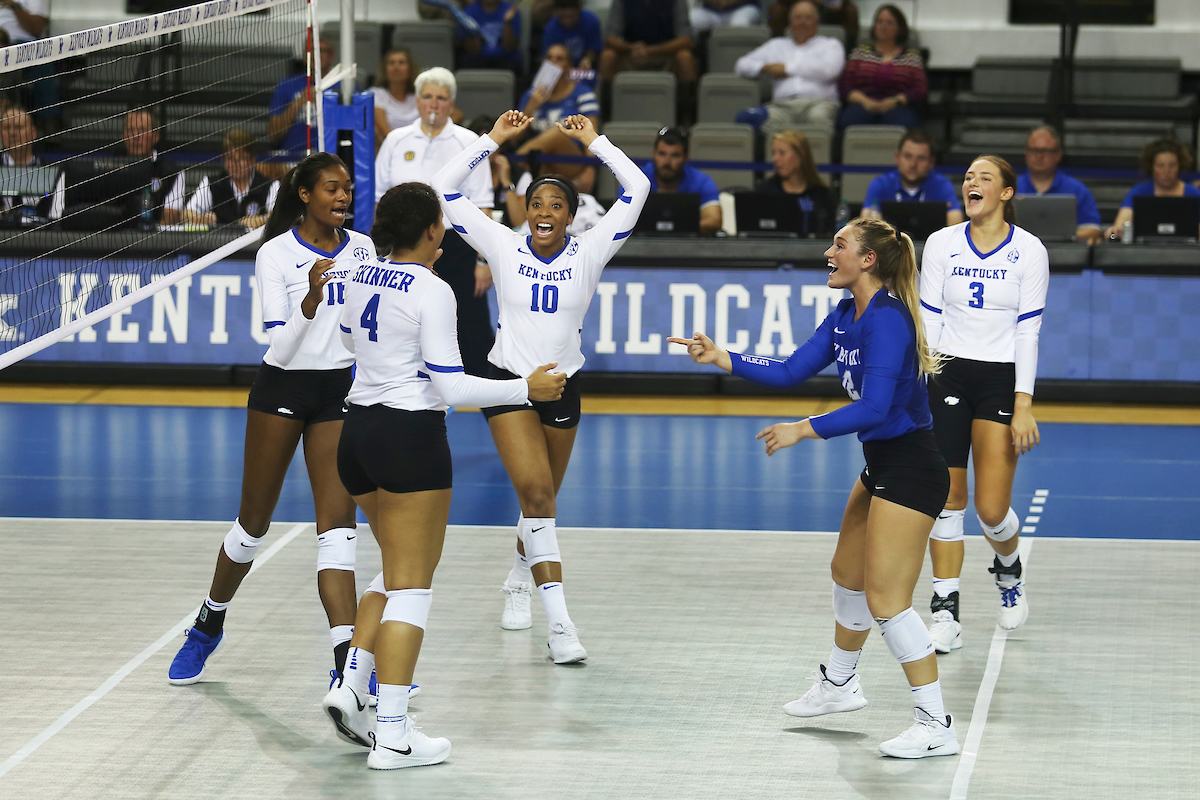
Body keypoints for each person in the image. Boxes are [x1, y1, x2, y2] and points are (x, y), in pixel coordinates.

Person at [668, 216, 959, 759]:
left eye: (839, 245)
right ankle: (841, 685)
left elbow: (873, 407)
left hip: (913, 469)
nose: (829, 252)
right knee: (846, 574)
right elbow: (787, 371)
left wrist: (803, 428)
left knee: (889, 602)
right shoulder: (846, 314)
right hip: (883, 465)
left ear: (867, 259)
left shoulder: (889, 321)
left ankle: (935, 721)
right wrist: (721, 357)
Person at [320, 182, 565, 769]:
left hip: (356, 437)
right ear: (432, 230)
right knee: (412, 586)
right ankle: (395, 734)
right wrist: (523, 389)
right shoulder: (433, 289)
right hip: (409, 442)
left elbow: (350, 342)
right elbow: (452, 388)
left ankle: (352, 683)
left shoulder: (352, 275)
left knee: (401, 568)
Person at [432, 111, 650, 663]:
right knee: (538, 495)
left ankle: (515, 576)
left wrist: (595, 141)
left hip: (562, 385)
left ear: (573, 216)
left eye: (556, 206)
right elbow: (443, 186)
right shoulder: (503, 246)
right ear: (524, 213)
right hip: (509, 383)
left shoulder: (592, 250)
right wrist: (494, 140)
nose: (545, 214)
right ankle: (561, 626)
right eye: (536, 206)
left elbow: (638, 186)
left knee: (542, 500)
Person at [167, 153, 374, 688]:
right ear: (304, 195)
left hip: (339, 391)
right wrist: (311, 296)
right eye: (332, 188)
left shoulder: (363, 249)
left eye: (347, 189)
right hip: (283, 387)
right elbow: (279, 348)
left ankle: (344, 663)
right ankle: (209, 623)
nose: (343, 197)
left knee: (338, 530)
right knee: (253, 523)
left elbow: (366, 326)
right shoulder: (276, 254)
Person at [919, 155, 1049, 653]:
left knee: (992, 509)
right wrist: (921, 377)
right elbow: (929, 317)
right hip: (948, 369)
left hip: (1000, 379)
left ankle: (1008, 568)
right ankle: (945, 609)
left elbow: (1028, 330)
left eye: (984, 178)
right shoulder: (942, 243)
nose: (971, 183)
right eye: (968, 177)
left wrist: (1024, 403)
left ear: (1007, 194)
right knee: (948, 498)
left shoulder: (1029, 251)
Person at [376, 67, 495, 378]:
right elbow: (379, 200)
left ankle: (495, 402)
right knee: (403, 317)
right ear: (417, 101)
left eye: (441, 98)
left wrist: (483, 260)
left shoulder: (469, 142)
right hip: (401, 246)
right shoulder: (396, 140)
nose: (433, 104)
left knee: (472, 327)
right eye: (427, 96)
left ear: (451, 103)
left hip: (456, 247)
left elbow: (483, 206)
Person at [48, 108, 186, 228]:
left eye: (142, 130)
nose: (136, 136)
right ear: (124, 136)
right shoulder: (106, 166)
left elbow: (170, 218)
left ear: (155, 136)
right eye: (131, 130)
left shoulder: (169, 171)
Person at [734, 0, 844, 137]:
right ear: (790, 22)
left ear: (817, 22)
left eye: (808, 18)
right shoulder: (776, 45)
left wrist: (786, 69)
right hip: (781, 106)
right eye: (797, 18)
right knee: (758, 122)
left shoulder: (830, 44)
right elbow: (741, 65)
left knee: (818, 118)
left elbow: (829, 71)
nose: (802, 22)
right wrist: (764, 68)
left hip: (818, 104)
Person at [515, 44, 600, 190]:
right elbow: (515, 137)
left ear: (568, 66)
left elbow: (592, 135)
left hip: (571, 159)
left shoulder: (582, 93)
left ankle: (511, 168)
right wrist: (531, 107)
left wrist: (591, 169)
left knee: (555, 134)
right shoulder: (531, 95)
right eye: (549, 58)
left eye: (559, 59)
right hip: (539, 162)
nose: (553, 62)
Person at [598, 0, 696, 122]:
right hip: (631, 54)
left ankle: (686, 120)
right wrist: (631, 48)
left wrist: (651, 51)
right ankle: (605, 117)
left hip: (665, 54)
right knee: (608, 56)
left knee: (685, 57)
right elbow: (610, 38)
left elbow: (686, 39)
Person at [836, 4, 925, 133]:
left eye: (889, 23)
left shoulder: (911, 57)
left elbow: (920, 90)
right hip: (862, 104)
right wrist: (865, 101)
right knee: (848, 121)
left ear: (899, 28)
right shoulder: (859, 53)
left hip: (898, 106)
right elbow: (845, 86)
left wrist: (895, 102)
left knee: (905, 124)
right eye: (879, 22)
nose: (883, 26)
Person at [628, 126, 722, 236]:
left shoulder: (702, 182)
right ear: (654, 153)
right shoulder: (635, 181)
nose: (667, 162)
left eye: (675, 155)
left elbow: (714, 221)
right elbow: (619, 220)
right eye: (662, 154)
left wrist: (676, 227)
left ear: (686, 157)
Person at [1016, 125, 1102, 245]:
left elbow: (1093, 230)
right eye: (1034, 150)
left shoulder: (1077, 190)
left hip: (1066, 257)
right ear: (1026, 151)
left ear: (1058, 154)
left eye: (1045, 151)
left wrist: (1063, 237)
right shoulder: (1010, 188)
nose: (1039, 156)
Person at [1104, 138, 1200, 242]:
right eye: (1160, 166)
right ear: (1151, 167)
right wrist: (1113, 234)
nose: (1166, 171)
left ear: (1180, 166)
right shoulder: (1139, 192)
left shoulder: (1194, 194)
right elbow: (1118, 228)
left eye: (1172, 165)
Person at [862, 129, 963, 228]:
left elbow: (956, 223)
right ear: (897, 157)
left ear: (931, 162)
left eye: (921, 158)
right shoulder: (880, 184)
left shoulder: (942, 186)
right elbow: (866, 224)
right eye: (908, 156)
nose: (913, 164)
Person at [182, 129, 278, 230]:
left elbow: (281, 216)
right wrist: (200, 218)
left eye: (241, 158)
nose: (236, 164)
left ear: (252, 160)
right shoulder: (212, 184)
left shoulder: (269, 186)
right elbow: (186, 215)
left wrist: (264, 219)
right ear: (224, 160)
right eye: (231, 158)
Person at [754, 129, 834, 237]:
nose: (775, 159)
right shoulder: (764, 190)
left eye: (782, 153)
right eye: (774, 153)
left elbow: (829, 233)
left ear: (800, 155)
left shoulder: (821, 194)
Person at [269, 37, 336, 158]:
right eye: (312, 51)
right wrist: (297, 104)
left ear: (332, 56)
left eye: (321, 51)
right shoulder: (288, 85)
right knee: (262, 166)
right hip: (292, 156)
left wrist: (321, 104)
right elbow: (274, 134)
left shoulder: (344, 86)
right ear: (305, 56)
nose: (316, 55)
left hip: (330, 157)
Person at [0, 104, 48, 221]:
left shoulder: (50, 170)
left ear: (33, 133)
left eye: (18, 127)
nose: (12, 133)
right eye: (6, 128)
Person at [369, 47, 420, 149]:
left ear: (410, 69)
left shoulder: (420, 96)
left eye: (401, 63)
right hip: (389, 147)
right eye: (391, 63)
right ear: (385, 69)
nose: (396, 67)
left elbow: (456, 114)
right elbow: (385, 131)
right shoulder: (376, 94)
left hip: (419, 146)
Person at [457, 0, 523, 73]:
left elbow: (509, 47)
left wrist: (507, 23)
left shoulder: (511, 11)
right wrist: (473, 30)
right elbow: (473, 50)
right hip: (477, 60)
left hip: (506, 60)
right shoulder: (469, 12)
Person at [542, 0, 603, 72]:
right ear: (556, 12)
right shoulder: (550, 29)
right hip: (559, 69)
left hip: (584, 68)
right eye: (564, 15)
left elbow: (593, 49)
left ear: (579, 9)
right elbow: (548, 57)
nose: (568, 18)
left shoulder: (591, 21)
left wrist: (588, 59)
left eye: (571, 14)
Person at [691, 0, 761, 33]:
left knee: (739, 24)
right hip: (711, 10)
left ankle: (741, 59)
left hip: (743, 8)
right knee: (691, 20)